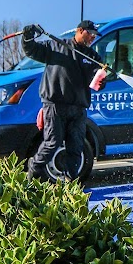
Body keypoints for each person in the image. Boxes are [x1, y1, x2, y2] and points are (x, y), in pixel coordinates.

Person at [21, 20, 106, 181]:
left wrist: (101, 82)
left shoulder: (93, 57)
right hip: (55, 106)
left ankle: (70, 185)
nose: (93, 38)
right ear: (80, 31)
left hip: (78, 110)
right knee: (52, 143)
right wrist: (27, 36)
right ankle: (31, 179)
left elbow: (96, 79)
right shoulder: (56, 47)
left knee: (76, 148)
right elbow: (32, 50)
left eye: (95, 36)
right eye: (90, 34)